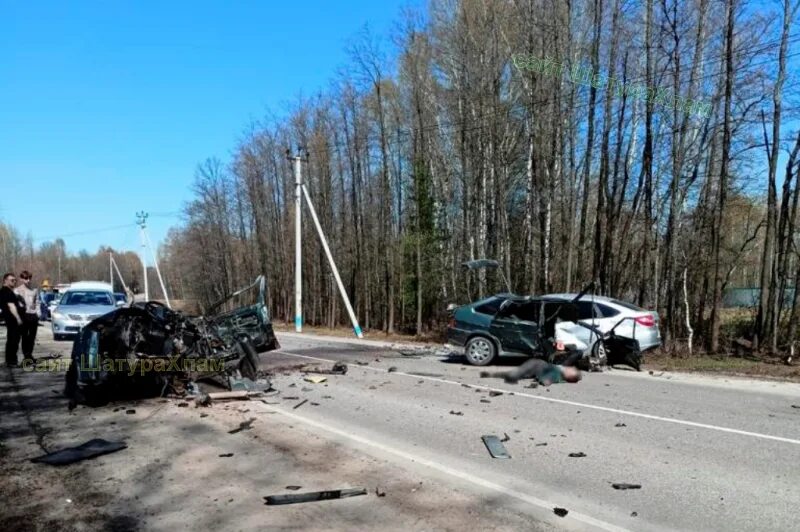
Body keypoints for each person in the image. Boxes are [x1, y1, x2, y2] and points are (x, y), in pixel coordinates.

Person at [480, 357, 582, 386]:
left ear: (570, 377)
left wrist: (546, 381)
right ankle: (493, 374)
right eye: (572, 368)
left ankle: (492, 374)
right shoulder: (561, 370)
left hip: (536, 367)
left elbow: (548, 379)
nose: (571, 368)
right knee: (516, 373)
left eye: (572, 371)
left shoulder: (558, 375)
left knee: (515, 374)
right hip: (537, 364)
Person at [14, 270, 40, 361]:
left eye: (29, 278)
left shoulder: (34, 289)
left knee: (32, 337)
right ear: (21, 279)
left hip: (33, 315)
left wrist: (38, 312)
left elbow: (37, 302)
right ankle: (26, 355)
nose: (28, 280)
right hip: (23, 316)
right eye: (26, 278)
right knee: (25, 337)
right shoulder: (17, 290)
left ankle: (30, 354)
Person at [1, 273, 23, 367]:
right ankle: (12, 361)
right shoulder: (7, 292)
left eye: (15, 280)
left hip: (9, 319)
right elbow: (11, 306)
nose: (14, 282)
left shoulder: (7, 291)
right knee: (14, 340)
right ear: (5, 280)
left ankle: (9, 360)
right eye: (11, 280)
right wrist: (18, 318)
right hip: (12, 319)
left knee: (11, 340)